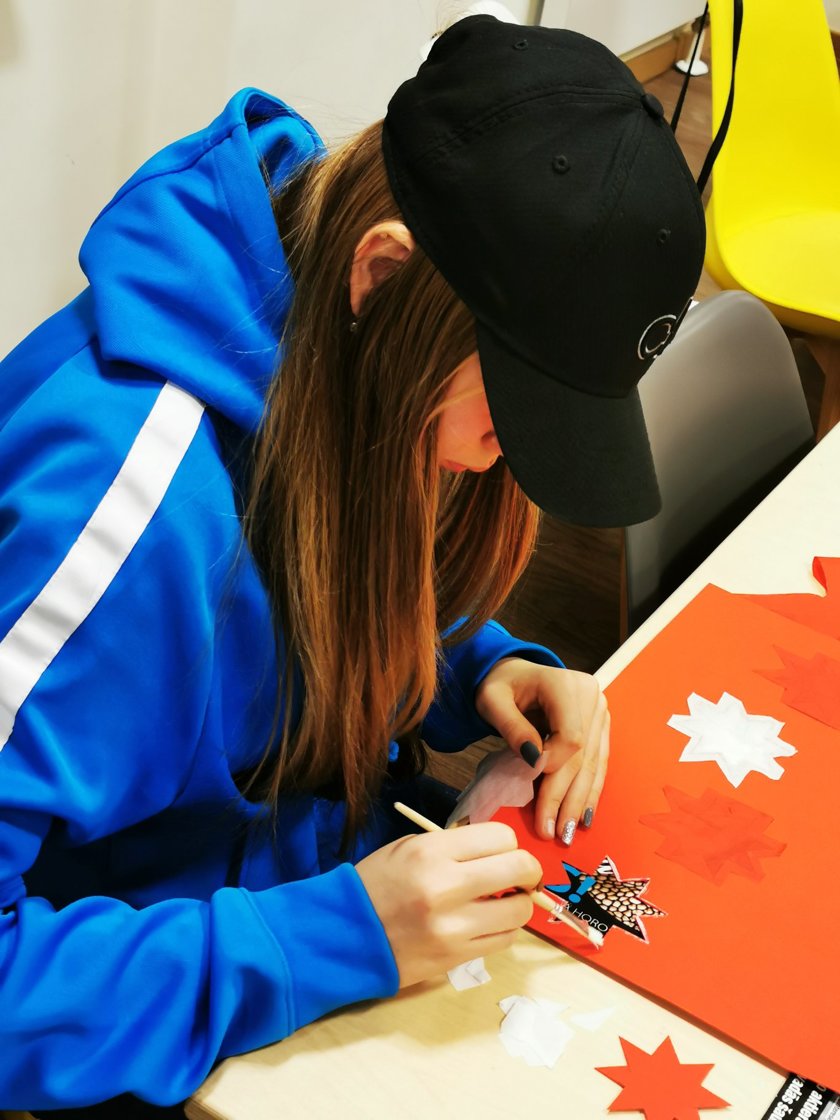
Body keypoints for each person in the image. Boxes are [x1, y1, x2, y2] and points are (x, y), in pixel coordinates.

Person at [0, 14, 704, 1116]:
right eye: (511, 415)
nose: (503, 462)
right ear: (382, 277)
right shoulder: (121, 512)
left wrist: (477, 660)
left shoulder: (349, 346)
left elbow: (305, 574)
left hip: (307, 891)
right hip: (147, 1025)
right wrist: (327, 938)